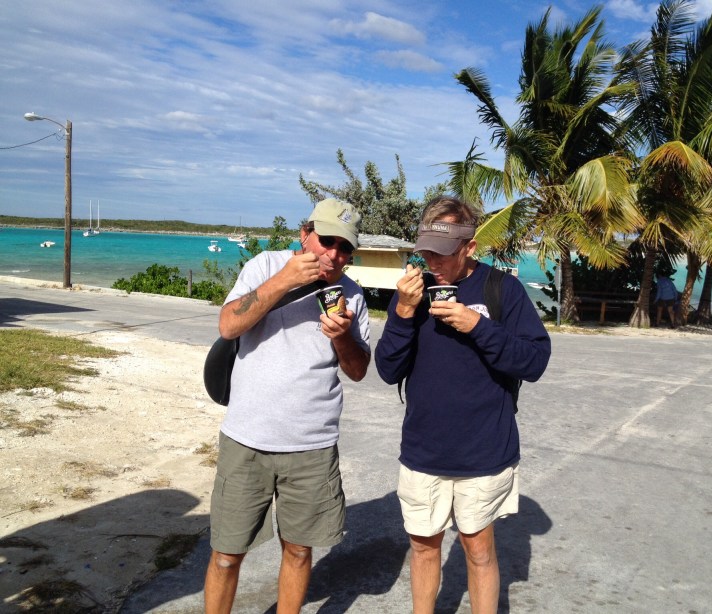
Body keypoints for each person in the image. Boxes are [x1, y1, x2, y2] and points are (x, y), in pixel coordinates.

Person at [374, 196, 551, 614]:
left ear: (470, 248)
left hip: (484, 451)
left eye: (443, 252)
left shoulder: (501, 289)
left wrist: (479, 327)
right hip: (423, 451)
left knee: (479, 550)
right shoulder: (412, 293)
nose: (431, 259)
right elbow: (386, 369)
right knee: (422, 548)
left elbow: (535, 361)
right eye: (426, 250)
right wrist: (401, 312)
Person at [203, 198, 371, 614]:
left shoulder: (352, 297)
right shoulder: (264, 266)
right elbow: (228, 325)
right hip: (247, 440)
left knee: (297, 552)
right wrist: (283, 282)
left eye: (344, 247)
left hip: (312, 447)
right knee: (226, 554)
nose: (332, 254)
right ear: (305, 234)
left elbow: (357, 370)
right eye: (326, 240)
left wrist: (342, 336)